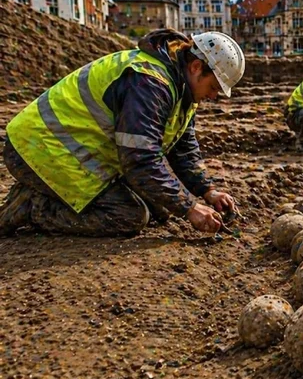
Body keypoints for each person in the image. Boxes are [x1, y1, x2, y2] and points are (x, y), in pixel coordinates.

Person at [0, 29, 245, 237]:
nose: (214, 96)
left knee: (160, 207)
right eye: (214, 87)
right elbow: (140, 159)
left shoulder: (182, 89)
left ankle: (46, 196)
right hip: (38, 148)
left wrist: (207, 191)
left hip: (70, 150)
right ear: (196, 66)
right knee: (128, 216)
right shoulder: (149, 83)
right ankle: (33, 205)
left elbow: (183, 149)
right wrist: (190, 208)